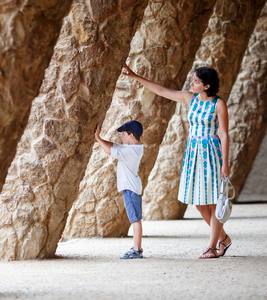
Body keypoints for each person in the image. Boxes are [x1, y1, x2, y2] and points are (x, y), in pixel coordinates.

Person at [122, 63, 232, 259]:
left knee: (214, 201)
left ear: (207, 86)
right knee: (199, 203)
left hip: (211, 153)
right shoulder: (191, 98)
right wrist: (136, 76)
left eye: (196, 81)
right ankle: (224, 238)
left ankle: (212, 246)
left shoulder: (218, 104)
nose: (192, 83)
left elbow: (224, 134)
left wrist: (226, 163)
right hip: (193, 152)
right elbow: (162, 90)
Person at [94, 120, 145, 259]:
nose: (121, 137)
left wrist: (98, 139)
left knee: (135, 219)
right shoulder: (134, 148)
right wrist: (101, 139)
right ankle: (137, 248)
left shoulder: (130, 152)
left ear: (131, 135)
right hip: (132, 186)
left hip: (130, 188)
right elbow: (114, 145)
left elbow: (110, 150)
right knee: (135, 218)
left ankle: (137, 250)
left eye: (124, 134)